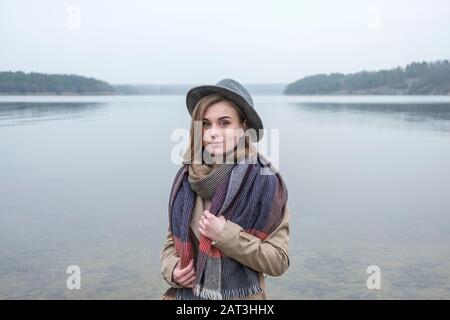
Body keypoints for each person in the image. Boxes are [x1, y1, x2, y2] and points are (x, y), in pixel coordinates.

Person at [160, 78, 290, 300]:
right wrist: (172, 270)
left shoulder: (265, 181)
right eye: (206, 124)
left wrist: (225, 235)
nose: (213, 133)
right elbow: (172, 242)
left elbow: (278, 261)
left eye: (224, 123)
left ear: (243, 127)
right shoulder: (187, 177)